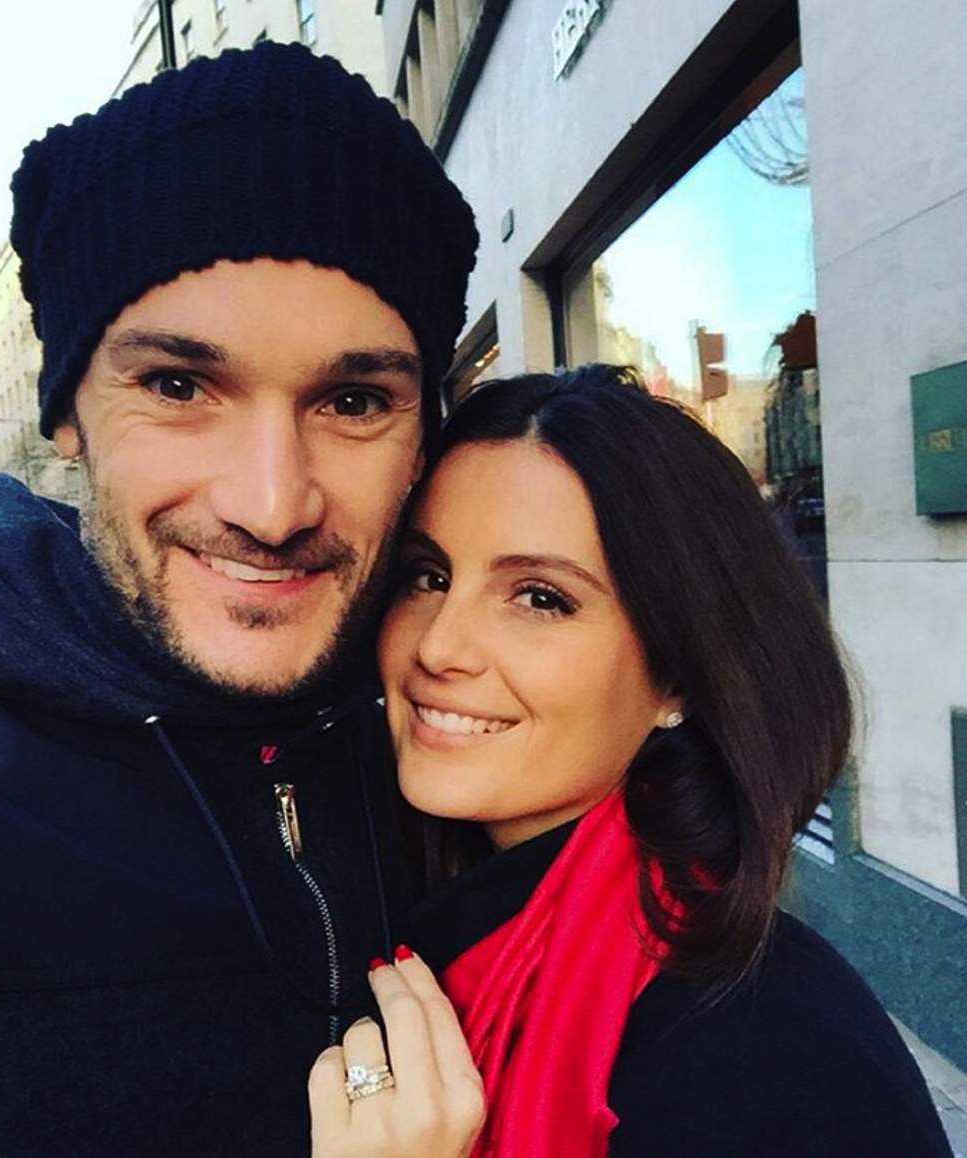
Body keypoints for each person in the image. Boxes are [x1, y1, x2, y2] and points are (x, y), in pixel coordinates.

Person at [0, 42, 479, 1156]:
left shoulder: (450, 733)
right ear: (69, 415)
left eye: (354, 401)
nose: (273, 505)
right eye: (177, 386)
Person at [363, 365, 953, 1156]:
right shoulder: (408, 923)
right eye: (429, 577)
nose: (438, 646)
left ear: (677, 676)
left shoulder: (773, 1061)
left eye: (539, 597)